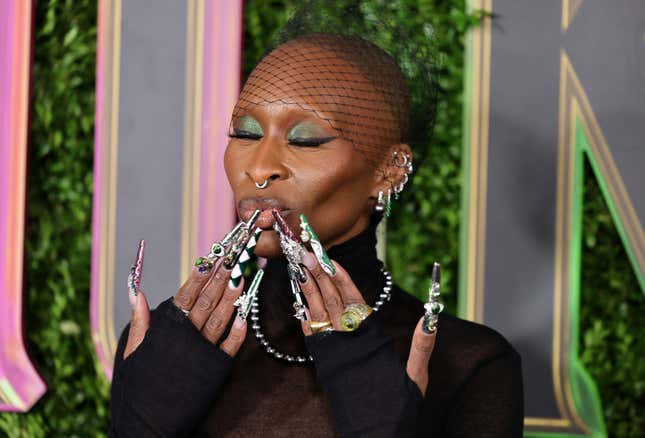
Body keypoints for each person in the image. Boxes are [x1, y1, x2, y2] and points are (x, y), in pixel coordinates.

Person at [109, 17, 523, 438]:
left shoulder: (467, 364)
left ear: (389, 169)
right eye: (245, 133)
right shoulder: (168, 351)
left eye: (305, 140)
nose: (259, 167)